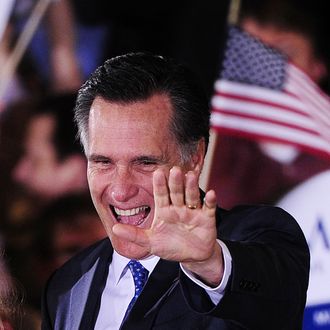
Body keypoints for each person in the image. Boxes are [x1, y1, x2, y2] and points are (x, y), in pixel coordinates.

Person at [41, 52, 309, 329]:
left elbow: (277, 301)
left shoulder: (252, 239)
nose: (120, 191)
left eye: (145, 163)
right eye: (103, 162)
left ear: (194, 158)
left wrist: (210, 264)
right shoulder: (66, 286)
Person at [207, 0, 330, 209]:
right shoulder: (208, 146)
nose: (261, 71)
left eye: (282, 55)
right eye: (247, 57)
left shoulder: (322, 156)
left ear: (318, 69)